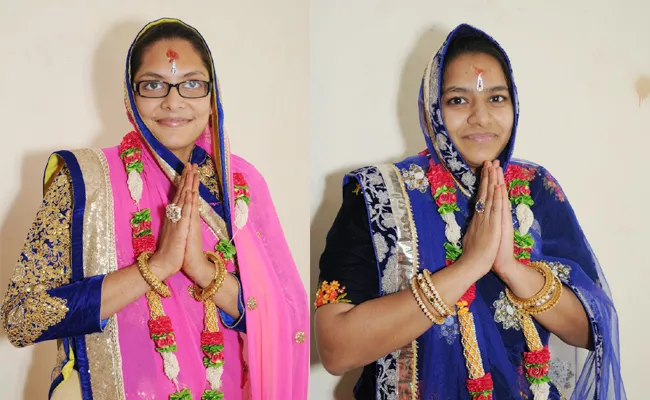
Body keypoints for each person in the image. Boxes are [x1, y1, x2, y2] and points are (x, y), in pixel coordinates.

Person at [1, 18, 308, 400]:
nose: (173, 101)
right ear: (131, 97)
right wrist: (157, 267)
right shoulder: (85, 182)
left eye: (192, 84)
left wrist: (200, 268)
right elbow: (22, 318)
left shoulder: (240, 187)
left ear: (214, 98)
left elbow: (285, 318)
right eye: (153, 85)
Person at [314, 24, 625, 399]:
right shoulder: (377, 195)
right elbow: (336, 350)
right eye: (458, 101)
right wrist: (469, 267)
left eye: (496, 98)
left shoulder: (535, 190)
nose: (481, 117)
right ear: (432, 106)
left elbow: (591, 330)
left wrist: (510, 268)